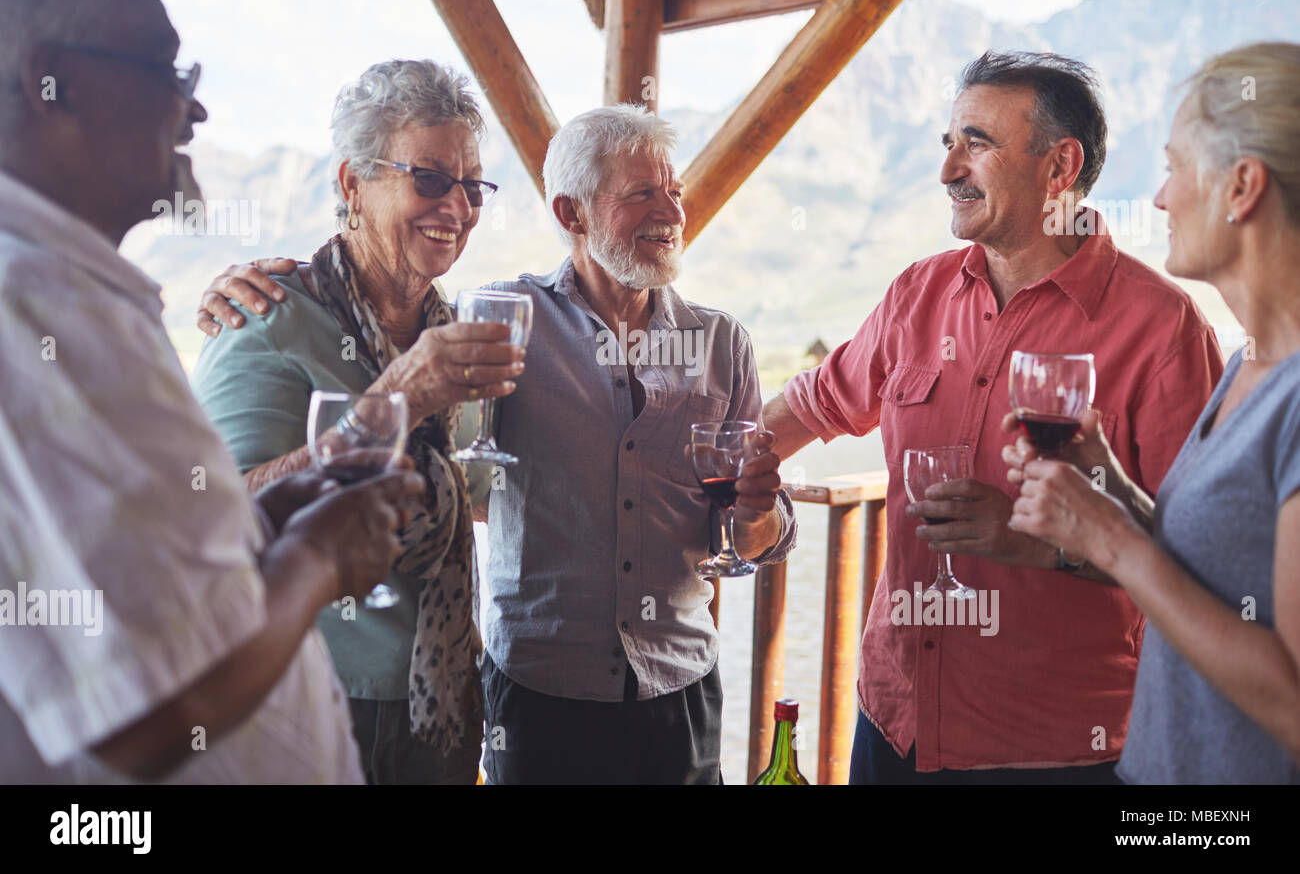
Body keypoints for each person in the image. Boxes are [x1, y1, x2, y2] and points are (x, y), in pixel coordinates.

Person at [195, 104, 799, 784]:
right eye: (641, 194)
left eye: (674, 192)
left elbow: (753, 537)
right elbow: (374, 300)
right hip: (536, 693)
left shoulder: (724, 344)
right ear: (571, 214)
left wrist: (754, 514)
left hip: (678, 687)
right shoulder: (498, 322)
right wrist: (251, 282)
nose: (670, 210)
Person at [0, 0, 422, 783]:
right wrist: (320, 557)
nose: (195, 108)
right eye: (166, 70)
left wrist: (260, 526)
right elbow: (152, 718)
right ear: (55, 83)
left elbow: (118, 583)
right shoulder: (45, 305)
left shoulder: (66, 292)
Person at [764, 51, 1224, 782]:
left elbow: (1203, 568)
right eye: (947, 143)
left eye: (975, 142)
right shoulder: (917, 293)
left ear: (1059, 167)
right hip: (894, 727)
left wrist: (1040, 542)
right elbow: (814, 402)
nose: (949, 168)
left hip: (1057, 750)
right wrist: (724, 464)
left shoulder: (1163, 332)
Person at [190, 59, 524, 784]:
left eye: (472, 187)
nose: (458, 209)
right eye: (430, 179)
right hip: (310, 699)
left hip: (440, 702)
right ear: (353, 184)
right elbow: (207, 521)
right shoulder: (267, 320)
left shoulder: (447, 327)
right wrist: (398, 399)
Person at [1006, 42, 1300, 783]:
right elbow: (1213, 569)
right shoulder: (1250, 362)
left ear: (1242, 188)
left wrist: (1108, 540)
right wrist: (1106, 481)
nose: (1161, 198)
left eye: (1173, 168)